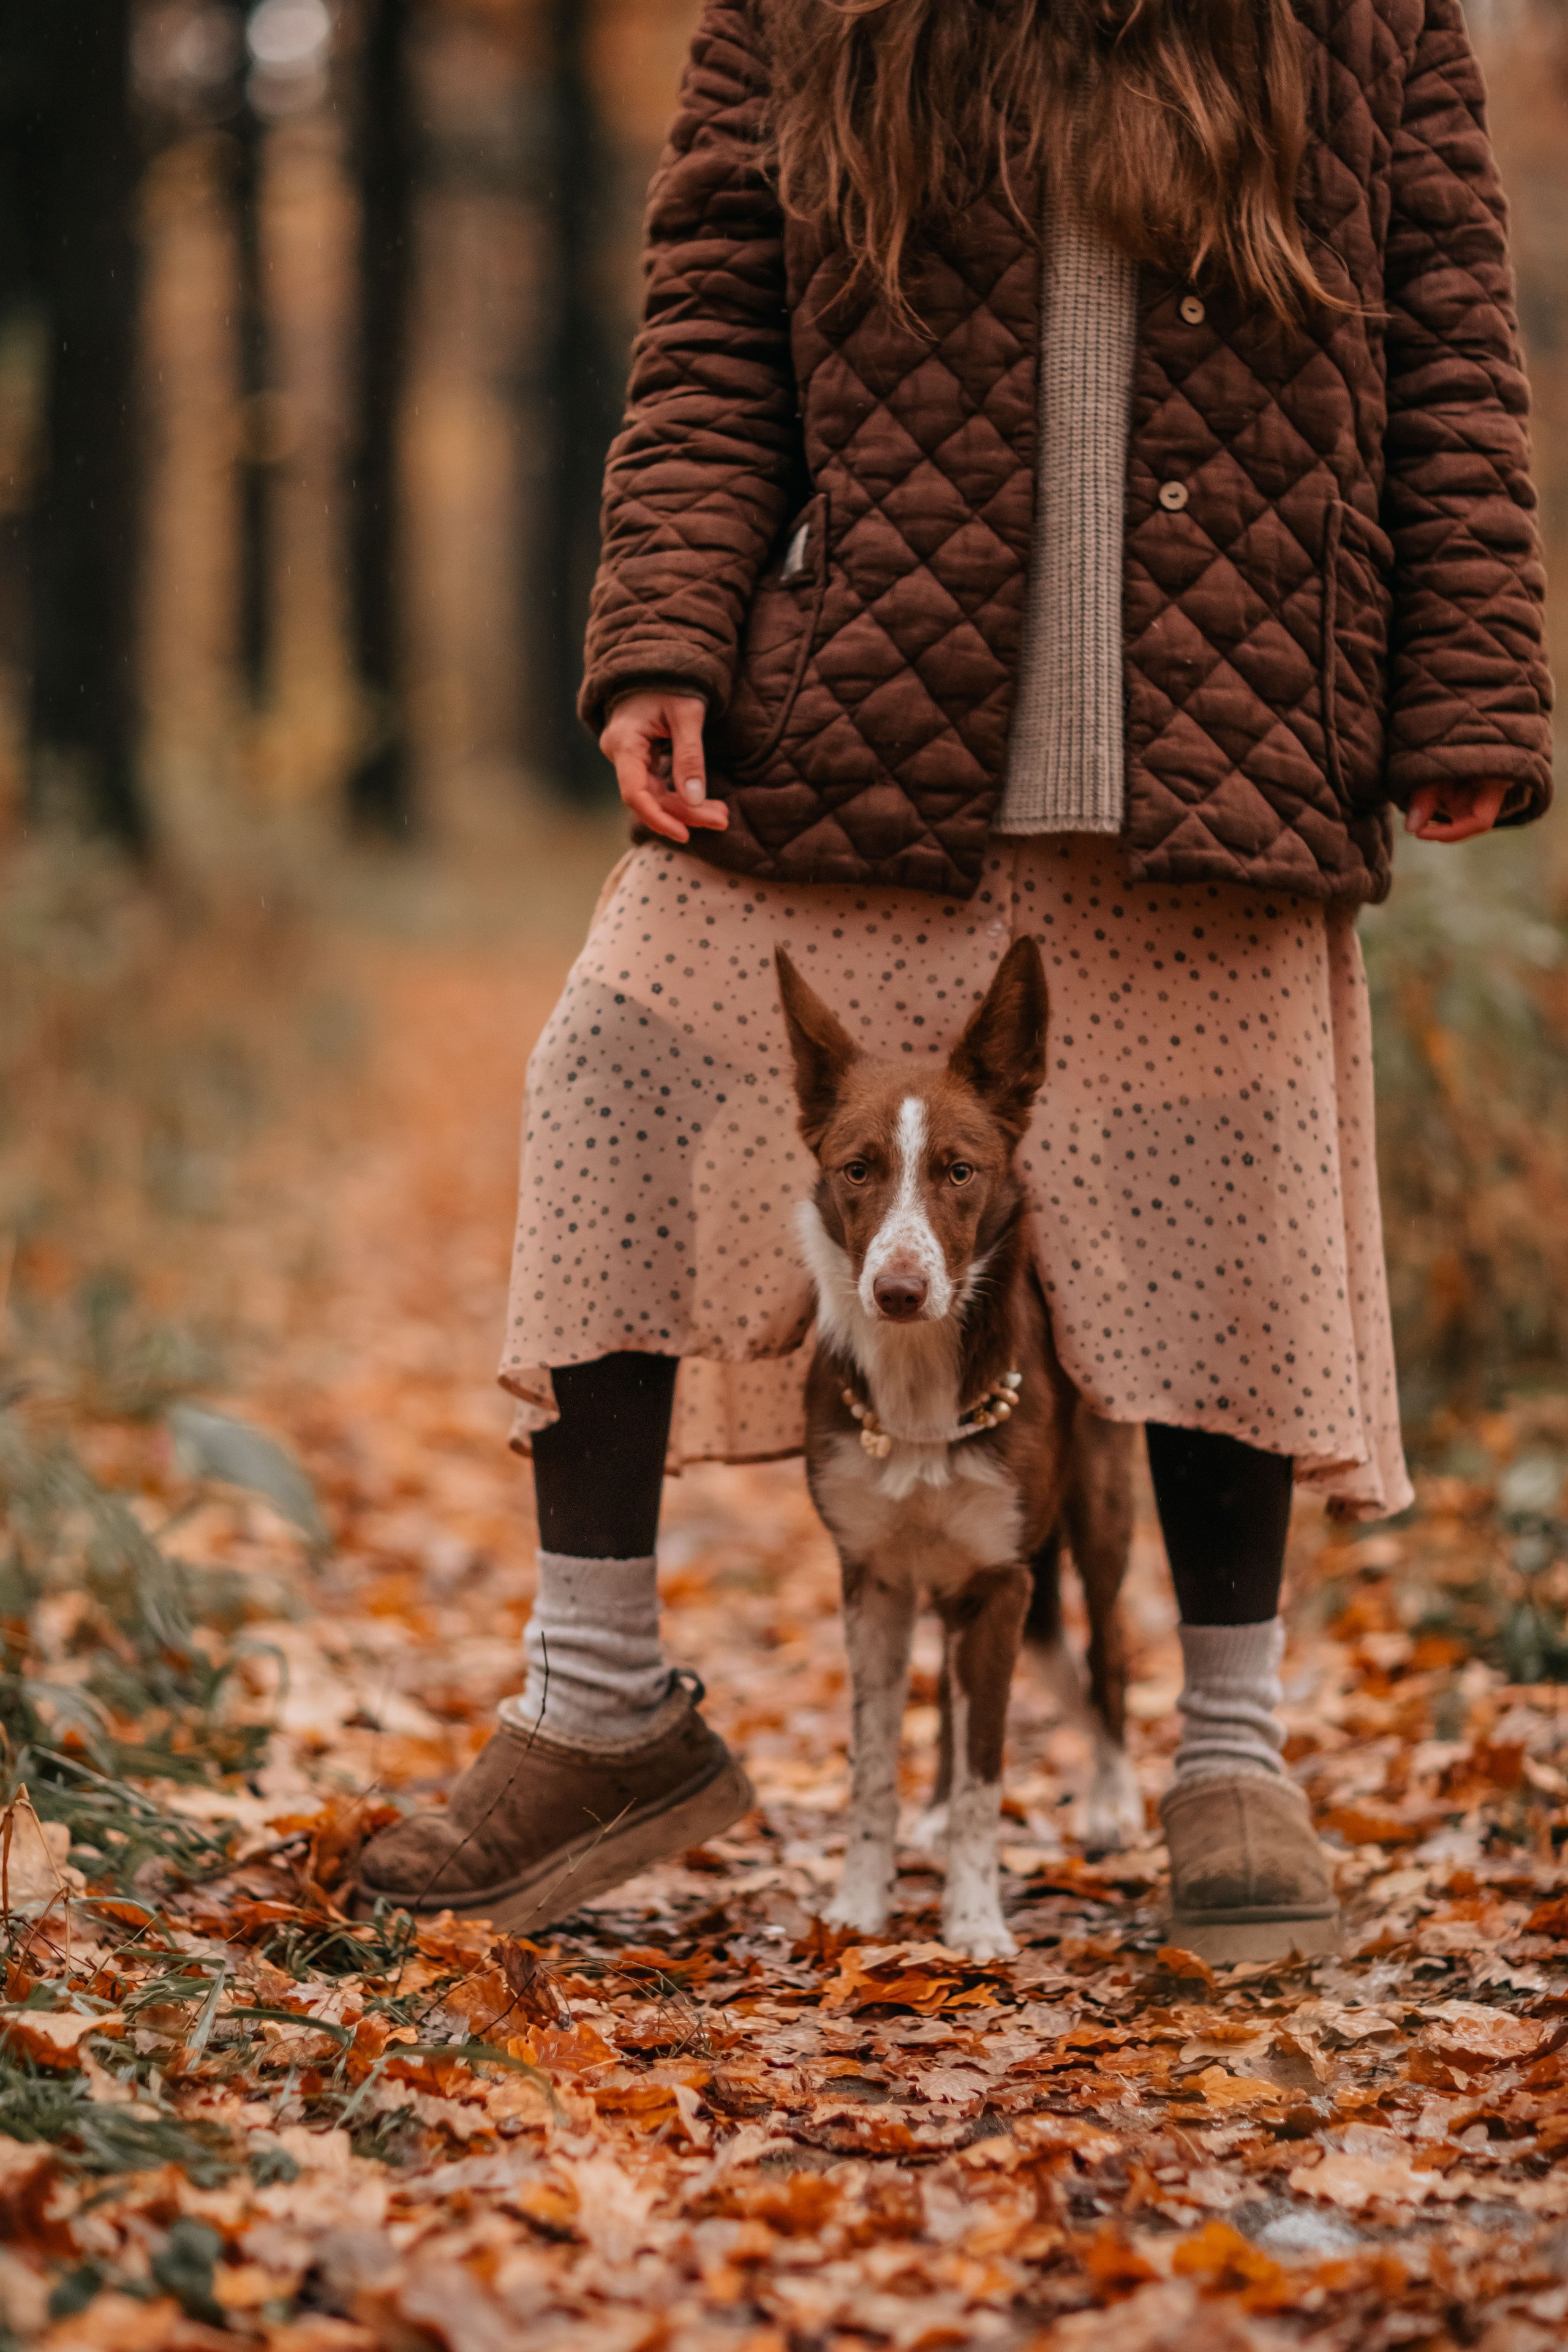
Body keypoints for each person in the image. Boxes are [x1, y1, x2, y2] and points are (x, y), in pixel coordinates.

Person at [360, 0, 1551, 1950]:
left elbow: (1448, 332)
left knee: (1224, 1228)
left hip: (1229, 733)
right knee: (611, 1074)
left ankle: (1233, 1762)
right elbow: (719, 325)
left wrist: (1470, 672)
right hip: (868, 731)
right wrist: (664, 623)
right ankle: (595, 1714)